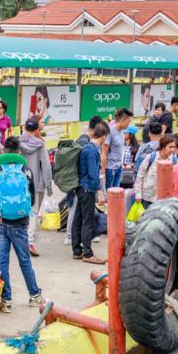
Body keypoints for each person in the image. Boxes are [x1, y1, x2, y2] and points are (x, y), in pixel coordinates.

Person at [0, 136, 45, 312]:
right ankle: (35, 296)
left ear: (4, 150)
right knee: (25, 260)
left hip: (1, 221)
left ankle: (6, 301)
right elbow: (32, 199)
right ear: (19, 151)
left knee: (3, 262)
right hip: (20, 223)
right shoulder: (26, 171)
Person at [73, 122, 109, 264]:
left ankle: (77, 251)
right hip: (88, 189)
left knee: (78, 219)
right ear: (104, 136)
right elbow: (93, 174)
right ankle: (88, 254)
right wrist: (99, 191)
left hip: (81, 188)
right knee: (87, 222)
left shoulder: (87, 147)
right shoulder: (92, 150)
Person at [19, 116, 53, 256]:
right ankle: (29, 242)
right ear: (36, 129)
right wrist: (48, 185)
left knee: (19, 210)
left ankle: (19, 239)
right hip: (35, 183)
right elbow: (46, 166)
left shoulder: (16, 142)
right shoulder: (40, 144)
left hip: (19, 182)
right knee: (33, 212)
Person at [134, 135, 178, 209]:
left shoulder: (174, 160)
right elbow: (140, 175)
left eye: (174, 147)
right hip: (148, 197)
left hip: (165, 199)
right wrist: (138, 193)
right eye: (170, 147)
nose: (172, 150)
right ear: (163, 147)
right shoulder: (151, 157)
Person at [103, 108, 132, 189]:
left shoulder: (122, 131)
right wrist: (102, 173)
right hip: (110, 169)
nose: (129, 124)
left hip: (119, 167)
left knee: (117, 193)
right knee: (109, 193)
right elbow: (104, 153)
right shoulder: (110, 132)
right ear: (122, 120)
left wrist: (121, 167)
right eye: (128, 121)